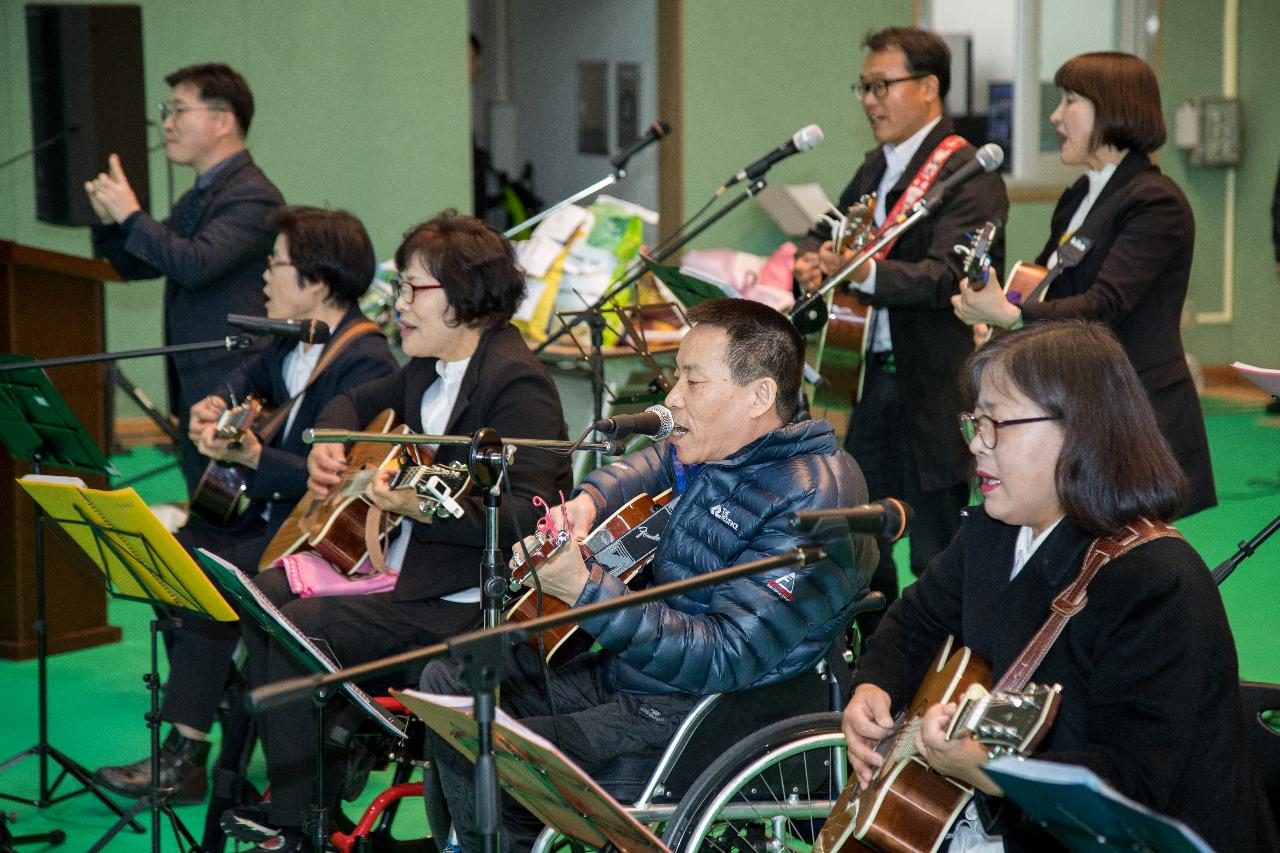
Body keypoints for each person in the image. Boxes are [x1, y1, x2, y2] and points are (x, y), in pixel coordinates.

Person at [419, 297, 879, 851]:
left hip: (698, 717)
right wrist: (588, 499)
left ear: (759, 395)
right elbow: (650, 461)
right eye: (675, 377)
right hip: (637, 677)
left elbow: (727, 656)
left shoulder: (812, 495)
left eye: (693, 381)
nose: (672, 398)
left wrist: (590, 594)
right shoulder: (723, 447)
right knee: (452, 690)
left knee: (488, 750)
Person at [843, 321, 1277, 852]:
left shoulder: (1157, 581)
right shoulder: (996, 534)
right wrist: (876, 686)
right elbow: (918, 619)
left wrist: (992, 770)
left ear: (1079, 432)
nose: (977, 446)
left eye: (996, 424)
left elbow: (1129, 783)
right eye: (973, 423)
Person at [221, 211, 573, 853]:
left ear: (463, 296)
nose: (400, 305)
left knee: (306, 626)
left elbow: (535, 517)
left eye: (414, 290)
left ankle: (305, 821)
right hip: (411, 579)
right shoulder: (424, 370)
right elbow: (351, 404)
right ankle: (306, 794)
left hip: (467, 607)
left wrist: (427, 510)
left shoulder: (516, 384)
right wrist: (333, 442)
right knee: (262, 594)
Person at [92, 206, 396, 804]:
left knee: (214, 582)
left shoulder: (366, 359)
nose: (264, 278)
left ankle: (184, 755)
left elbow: (336, 484)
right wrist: (211, 407)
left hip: (306, 535)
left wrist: (257, 460)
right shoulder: (287, 338)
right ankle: (217, 706)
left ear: (316, 281)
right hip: (258, 516)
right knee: (169, 559)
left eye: (275, 265)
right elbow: (238, 381)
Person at [794, 27, 1009, 630]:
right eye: (863, 86)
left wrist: (858, 273)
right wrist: (811, 261)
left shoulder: (967, 172)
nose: (869, 99)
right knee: (859, 535)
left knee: (938, 546)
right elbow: (822, 232)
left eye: (882, 85)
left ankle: (941, 679)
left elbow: (946, 276)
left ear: (929, 88)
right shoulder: (873, 167)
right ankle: (875, 657)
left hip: (932, 386)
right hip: (862, 386)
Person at [953, 51, 1215, 517]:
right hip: (1082, 402)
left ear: (1113, 108)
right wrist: (999, 321)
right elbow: (1042, 286)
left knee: (1126, 562)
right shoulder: (1080, 194)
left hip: (1136, 411)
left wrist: (1010, 315)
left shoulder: (1156, 201)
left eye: (1070, 100)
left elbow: (1105, 306)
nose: (1055, 116)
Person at [87, 62, 284, 494]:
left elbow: (194, 266)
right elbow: (140, 265)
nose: (167, 124)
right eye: (166, 111)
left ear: (222, 121)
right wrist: (108, 221)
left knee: (228, 527)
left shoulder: (253, 195)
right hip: (198, 389)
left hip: (235, 386)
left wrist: (131, 215)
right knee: (207, 522)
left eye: (178, 110)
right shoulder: (201, 195)